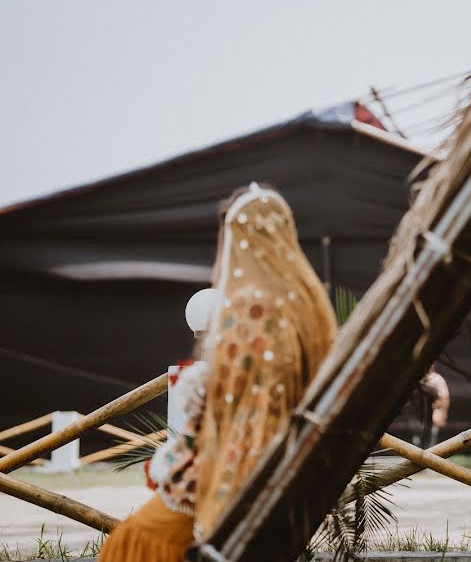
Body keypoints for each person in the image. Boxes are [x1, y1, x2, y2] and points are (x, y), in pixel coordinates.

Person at [98, 183, 337, 561]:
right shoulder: (307, 308)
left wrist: (200, 387)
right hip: (278, 482)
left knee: (129, 545)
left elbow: (241, 413)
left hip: (227, 485)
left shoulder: (252, 310)